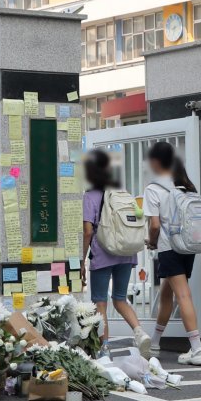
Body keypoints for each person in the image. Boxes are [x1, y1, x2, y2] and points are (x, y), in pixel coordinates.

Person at [143, 141, 201, 366]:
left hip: (168, 247)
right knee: (166, 292)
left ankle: (197, 349)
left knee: (182, 295)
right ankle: (154, 343)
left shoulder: (153, 189)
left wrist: (151, 243)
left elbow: (154, 225)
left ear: (155, 162)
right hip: (187, 246)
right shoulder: (185, 184)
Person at [81, 148, 149, 355]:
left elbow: (87, 231)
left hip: (103, 254)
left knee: (100, 301)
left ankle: (105, 347)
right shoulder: (122, 193)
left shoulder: (90, 196)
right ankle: (140, 333)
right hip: (127, 252)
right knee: (120, 298)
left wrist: (81, 259)